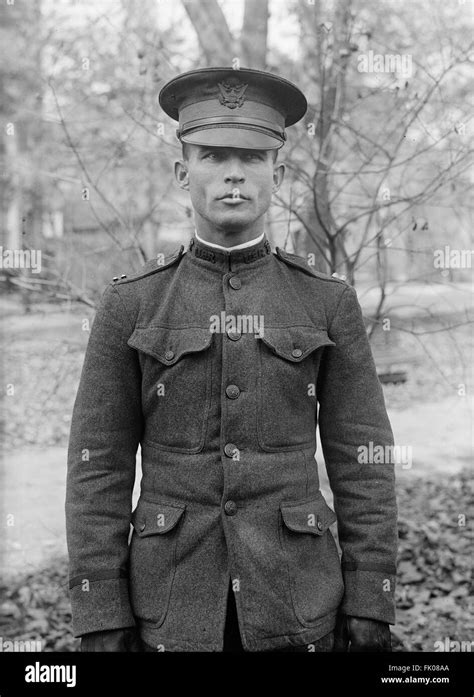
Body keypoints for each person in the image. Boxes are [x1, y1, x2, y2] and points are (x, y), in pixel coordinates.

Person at [66, 67, 398, 652]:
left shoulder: (327, 300)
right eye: (214, 155)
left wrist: (372, 595)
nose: (234, 174)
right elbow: (99, 468)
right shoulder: (131, 303)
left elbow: (362, 459)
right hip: (169, 607)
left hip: (299, 602)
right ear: (181, 171)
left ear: (280, 173)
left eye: (251, 157)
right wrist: (101, 611)